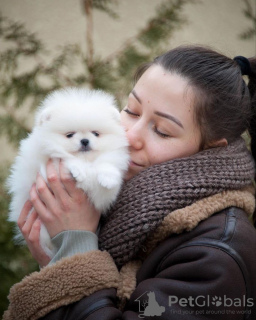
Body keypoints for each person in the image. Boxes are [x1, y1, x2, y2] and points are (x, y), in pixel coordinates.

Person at [3, 45, 256, 320]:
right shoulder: (120, 196)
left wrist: (74, 251)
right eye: (131, 111)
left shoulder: (215, 254)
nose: (130, 135)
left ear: (209, 150)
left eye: (162, 131)